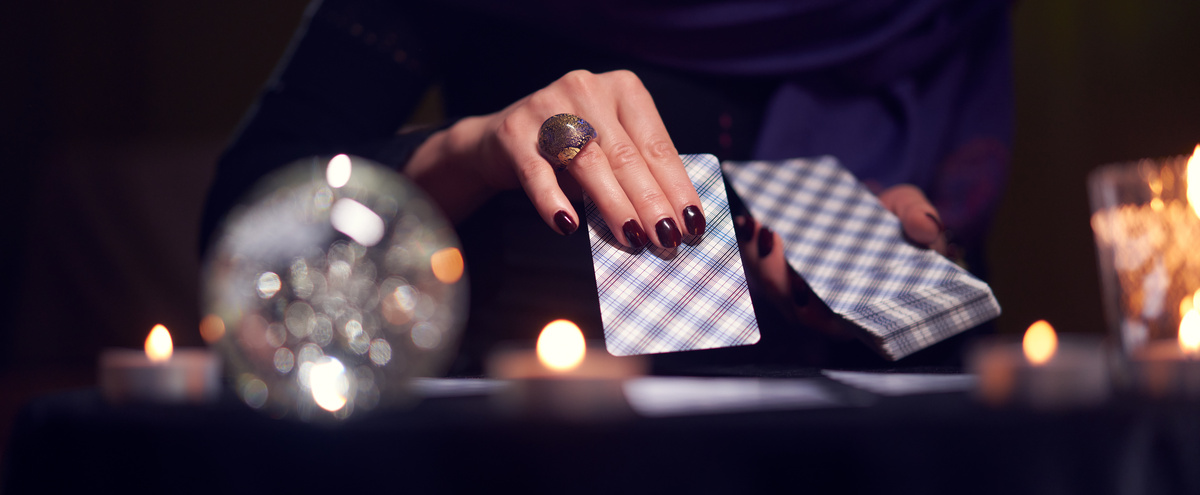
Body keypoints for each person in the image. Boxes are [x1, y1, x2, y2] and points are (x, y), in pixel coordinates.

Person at [201, 0, 1012, 373]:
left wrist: (873, 253)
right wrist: (471, 151)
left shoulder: (924, 12)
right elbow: (240, 236)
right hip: (533, 454)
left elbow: (951, 279)